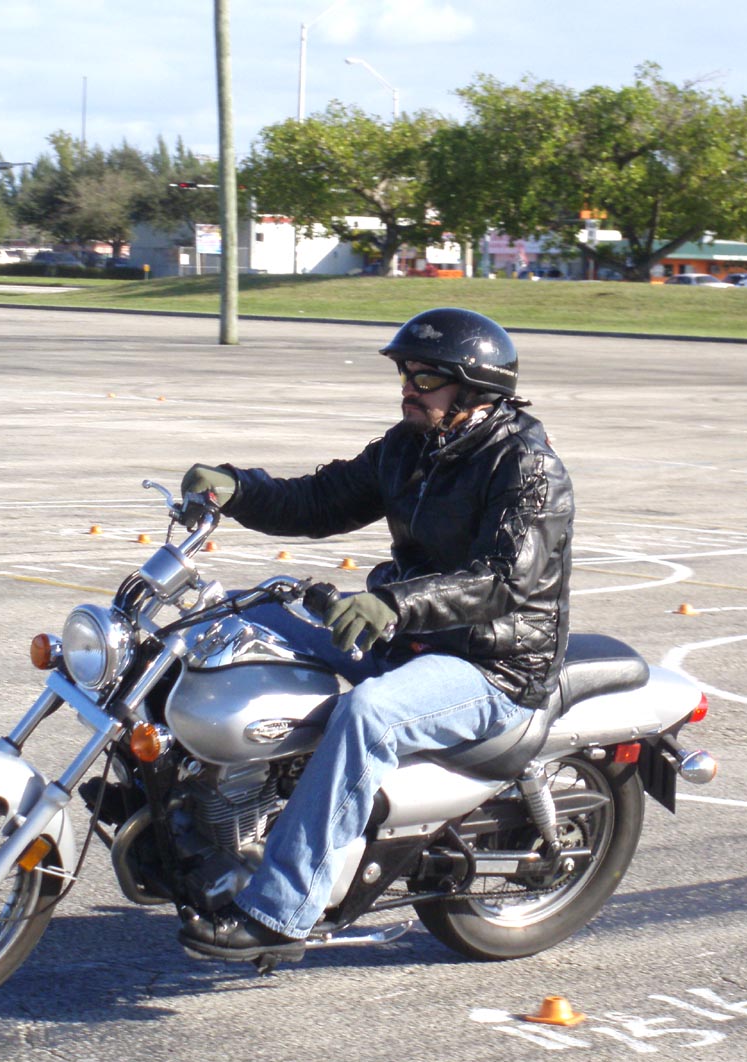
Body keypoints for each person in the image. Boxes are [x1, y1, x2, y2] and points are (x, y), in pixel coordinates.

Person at [178, 307, 574, 964]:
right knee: (237, 627)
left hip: (492, 662)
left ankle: (281, 911)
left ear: (475, 388)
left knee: (369, 714)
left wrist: (392, 603)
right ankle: (195, 810)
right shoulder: (409, 445)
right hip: (410, 634)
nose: (409, 388)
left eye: (426, 377)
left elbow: (505, 579)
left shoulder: (526, 466)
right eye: (406, 374)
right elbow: (318, 500)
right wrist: (239, 490)